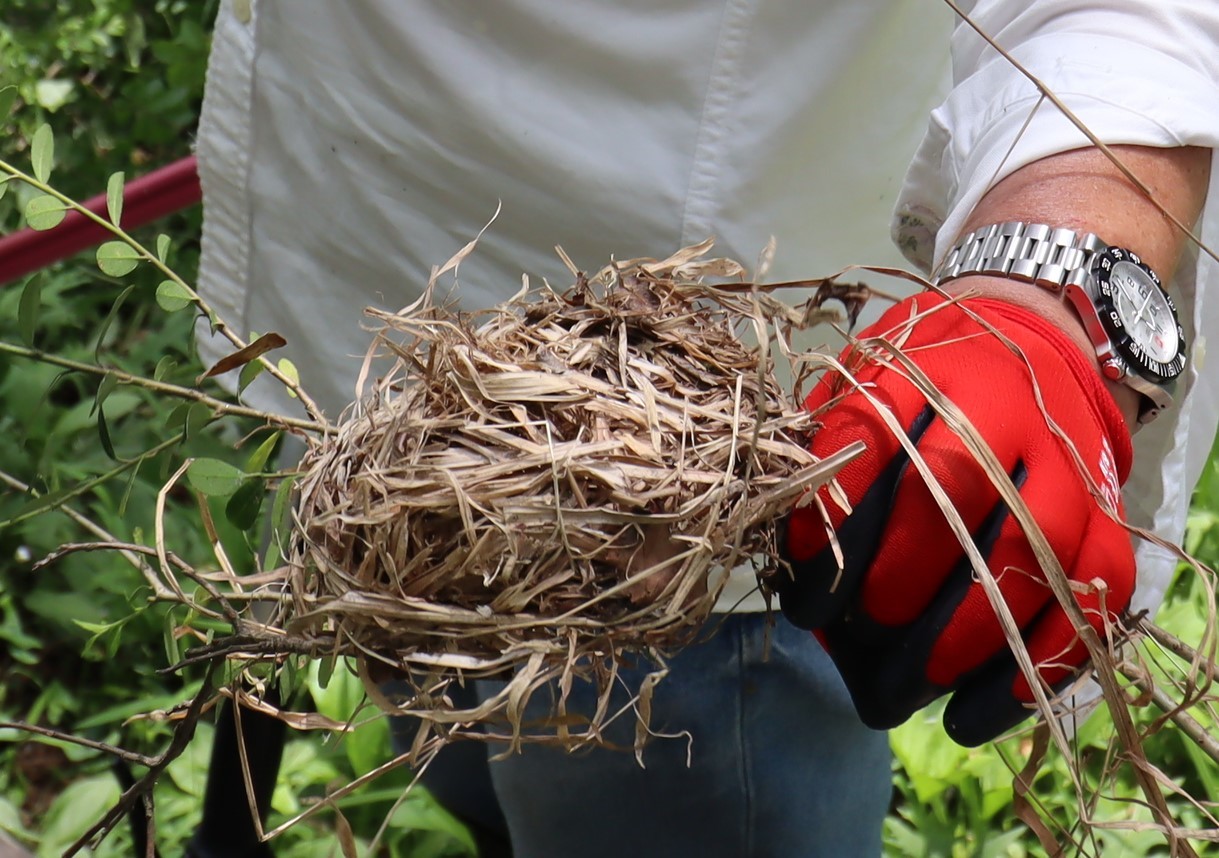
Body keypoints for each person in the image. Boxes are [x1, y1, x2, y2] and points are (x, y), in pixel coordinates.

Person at [194, 1, 1219, 855]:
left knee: (666, 799)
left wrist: (1050, 285)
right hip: (369, 364)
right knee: (466, 746)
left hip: (687, 518)